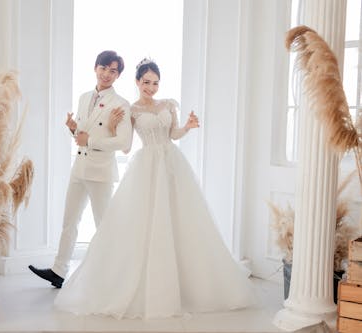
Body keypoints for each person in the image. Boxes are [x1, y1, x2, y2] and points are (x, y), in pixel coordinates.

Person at [54, 58, 254, 318]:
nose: (151, 87)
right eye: (146, 82)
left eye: (155, 83)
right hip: (147, 166)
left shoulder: (168, 104)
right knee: (147, 222)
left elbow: (173, 134)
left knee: (181, 219)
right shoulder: (131, 110)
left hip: (171, 163)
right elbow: (125, 146)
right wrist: (113, 126)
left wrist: (188, 127)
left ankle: (188, 281)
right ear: (137, 82)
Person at [29, 50, 132, 288]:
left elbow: (124, 143)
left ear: (118, 76)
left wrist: (90, 141)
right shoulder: (85, 97)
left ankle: (114, 274)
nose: (106, 74)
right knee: (69, 221)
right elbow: (84, 134)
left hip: (100, 171)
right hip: (80, 167)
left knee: (104, 225)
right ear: (95, 68)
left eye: (113, 70)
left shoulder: (121, 104)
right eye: (103, 68)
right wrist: (73, 129)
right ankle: (58, 270)